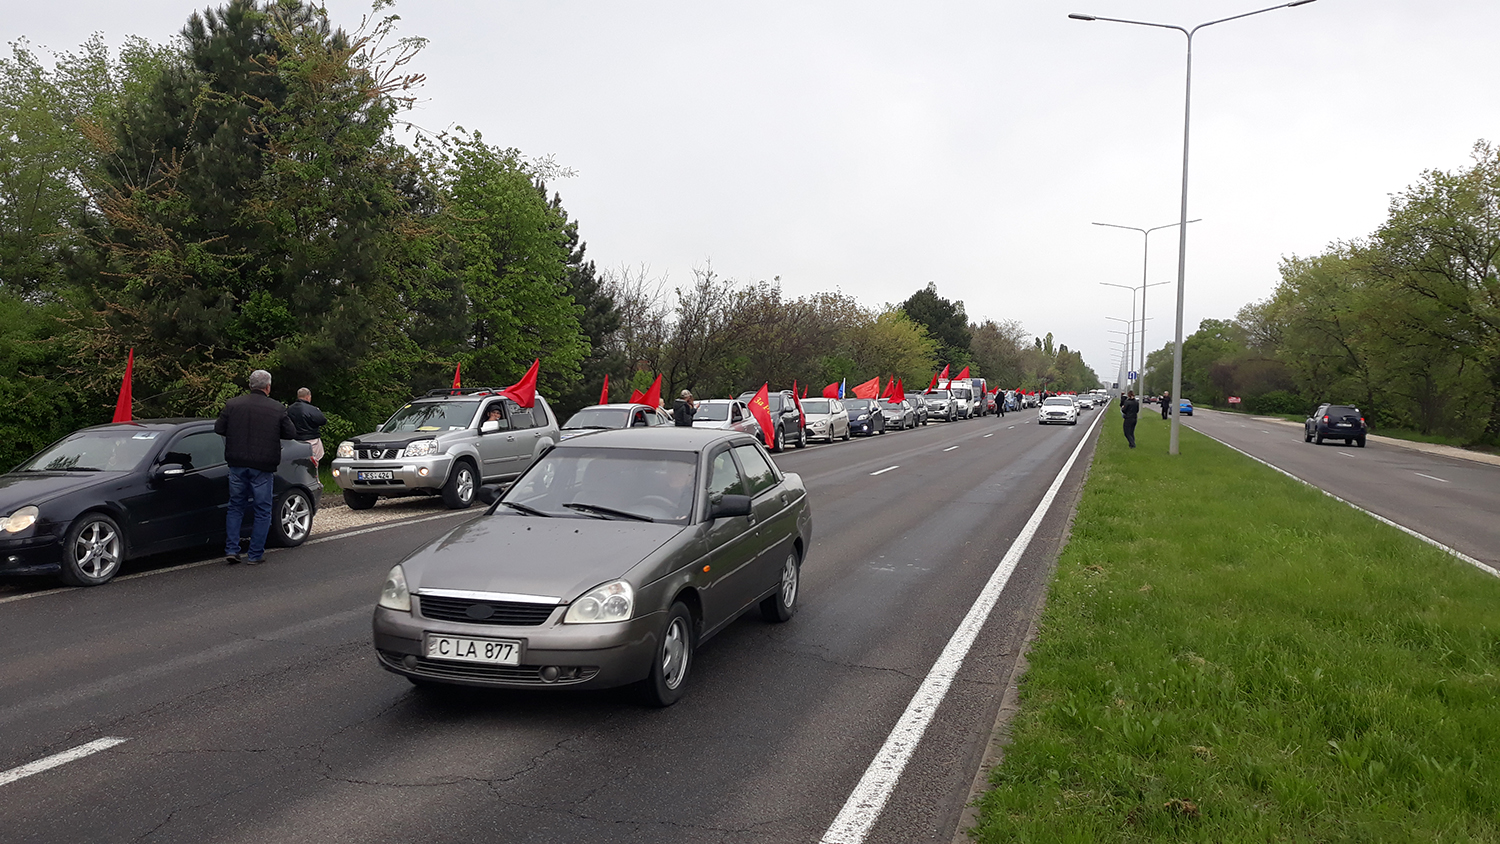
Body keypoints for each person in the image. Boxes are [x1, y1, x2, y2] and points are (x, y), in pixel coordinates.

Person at [216, 369, 295, 565]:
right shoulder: (276, 408)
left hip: (236, 463)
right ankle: (255, 553)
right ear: (268, 387)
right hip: (263, 465)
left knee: (235, 507)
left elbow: (219, 428)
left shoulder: (233, 405)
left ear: (250, 385)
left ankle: (232, 549)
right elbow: (290, 432)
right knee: (262, 510)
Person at [287, 387, 328, 467]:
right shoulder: (313, 409)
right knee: (313, 464)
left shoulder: (289, 409)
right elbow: (322, 421)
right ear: (308, 396)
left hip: (295, 441)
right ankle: (313, 478)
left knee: (297, 465)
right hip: (312, 441)